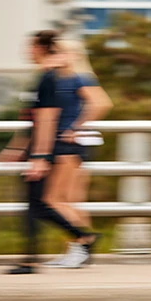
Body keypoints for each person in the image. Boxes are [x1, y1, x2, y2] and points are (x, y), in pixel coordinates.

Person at [0, 31, 97, 274]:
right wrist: (19, 147)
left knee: (51, 202)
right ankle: (76, 245)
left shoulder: (67, 78)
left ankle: (81, 243)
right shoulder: (50, 77)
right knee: (48, 203)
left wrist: (42, 154)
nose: (26, 51)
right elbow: (32, 118)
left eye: (30, 47)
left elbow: (47, 118)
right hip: (50, 147)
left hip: (60, 147)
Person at [41, 39, 113, 267]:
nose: (55, 55)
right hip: (68, 145)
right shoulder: (59, 79)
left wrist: (75, 127)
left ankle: (82, 242)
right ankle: (78, 252)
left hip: (67, 146)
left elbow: (101, 103)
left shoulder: (78, 78)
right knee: (72, 201)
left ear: (72, 55)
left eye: (59, 51)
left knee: (54, 200)